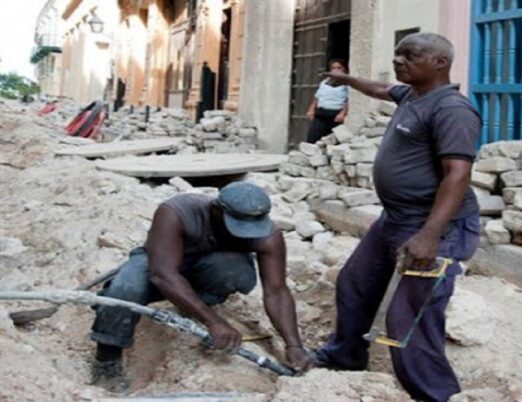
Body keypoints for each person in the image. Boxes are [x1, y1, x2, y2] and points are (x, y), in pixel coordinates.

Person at [311, 33, 482, 402]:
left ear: (439, 62)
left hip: (435, 227)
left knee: (409, 319)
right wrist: (347, 80)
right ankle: (345, 358)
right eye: (397, 55)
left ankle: (436, 395)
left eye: (410, 55)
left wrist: (430, 234)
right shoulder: (412, 95)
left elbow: (457, 175)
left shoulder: (451, 109)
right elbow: (380, 88)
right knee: (354, 284)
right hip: (395, 218)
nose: (399, 61)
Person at [90, 182, 312, 391]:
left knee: (235, 271)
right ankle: (107, 358)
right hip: (162, 260)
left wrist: (294, 345)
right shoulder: (177, 211)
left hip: (209, 267)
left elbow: (277, 291)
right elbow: (162, 274)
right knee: (125, 288)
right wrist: (214, 322)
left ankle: (196, 304)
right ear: (216, 210)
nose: (245, 234)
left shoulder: (268, 235)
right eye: (238, 226)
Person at [305, 59, 350, 143]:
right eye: (333, 68)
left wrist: (343, 113)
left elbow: (348, 99)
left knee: (333, 142)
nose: (336, 70)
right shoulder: (325, 82)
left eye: (339, 68)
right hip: (321, 115)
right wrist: (311, 110)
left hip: (335, 116)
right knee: (312, 139)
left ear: (345, 69)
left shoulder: (347, 84)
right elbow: (317, 97)